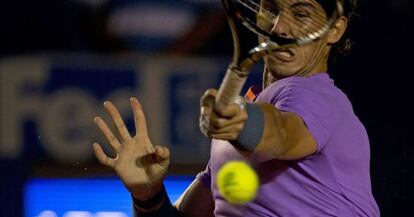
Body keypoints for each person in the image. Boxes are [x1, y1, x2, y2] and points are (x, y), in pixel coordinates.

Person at [92, 0, 380, 216]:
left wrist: (241, 122)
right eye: (271, 9)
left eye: (301, 14)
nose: (280, 27)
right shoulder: (239, 130)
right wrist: (148, 195)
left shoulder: (316, 96)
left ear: (334, 30)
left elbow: (280, 133)